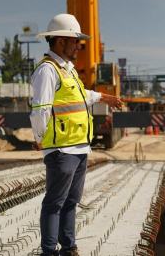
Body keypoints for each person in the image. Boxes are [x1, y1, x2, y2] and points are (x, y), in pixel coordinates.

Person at [29, 13, 123, 256]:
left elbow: (82, 96)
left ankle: (68, 247)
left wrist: (104, 97)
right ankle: (49, 251)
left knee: (71, 202)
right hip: (61, 150)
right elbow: (40, 109)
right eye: (75, 41)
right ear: (60, 41)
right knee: (54, 203)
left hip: (79, 148)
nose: (79, 47)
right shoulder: (47, 71)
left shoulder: (68, 70)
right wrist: (40, 138)